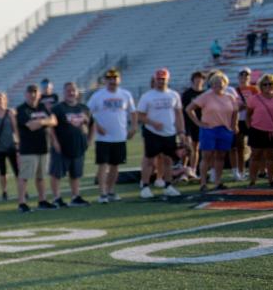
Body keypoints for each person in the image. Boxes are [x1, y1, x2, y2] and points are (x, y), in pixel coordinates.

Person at [88, 67, 137, 203]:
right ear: (105, 80)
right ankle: (102, 193)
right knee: (103, 165)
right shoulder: (98, 95)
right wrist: (97, 126)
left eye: (114, 78)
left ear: (119, 79)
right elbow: (88, 113)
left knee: (115, 166)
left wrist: (133, 127)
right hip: (103, 138)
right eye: (109, 78)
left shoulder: (125, 94)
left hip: (120, 136)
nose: (112, 81)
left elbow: (133, 112)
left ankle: (111, 191)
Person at [186, 71, 239, 191]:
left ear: (225, 84)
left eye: (220, 83)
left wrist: (234, 124)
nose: (217, 86)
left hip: (224, 129)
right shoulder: (206, 96)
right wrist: (198, 123)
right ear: (211, 85)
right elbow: (189, 109)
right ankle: (203, 183)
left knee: (221, 156)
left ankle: (217, 182)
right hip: (209, 129)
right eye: (214, 83)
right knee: (207, 156)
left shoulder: (229, 97)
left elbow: (235, 111)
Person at [136, 68, 185, 198]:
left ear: (167, 80)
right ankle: (145, 186)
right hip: (152, 132)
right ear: (154, 80)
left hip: (169, 132)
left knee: (168, 160)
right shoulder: (147, 96)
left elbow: (179, 114)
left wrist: (181, 132)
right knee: (149, 160)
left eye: (163, 79)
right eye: (158, 79)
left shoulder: (174, 95)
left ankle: (168, 185)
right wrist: (153, 123)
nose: (161, 81)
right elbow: (140, 116)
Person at [14, 84, 57, 212]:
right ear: (26, 94)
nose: (33, 95)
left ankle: (42, 200)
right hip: (28, 148)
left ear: (39, 94)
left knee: (41, 177)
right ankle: (22, 203)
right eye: (30, 92)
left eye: (35, 92)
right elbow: (31, 126)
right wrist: (45, 121)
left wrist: (41, 122)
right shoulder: (22, 109)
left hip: (43, 146)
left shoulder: (42, 106)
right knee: (25, 176)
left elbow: (54, 121)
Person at [49, 82, 92, 207]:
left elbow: (92, 123)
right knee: (56, 173)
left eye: (73, 90)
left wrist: (89, 139)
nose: (71, 93)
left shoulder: (84, 108)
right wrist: (55, 142)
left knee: (76, 173)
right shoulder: (58, 108)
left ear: (77, 92)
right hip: (61, 146)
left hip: (78, 146)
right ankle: (57, 198)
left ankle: (75, 196)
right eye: (68, 90)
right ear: (64, 92)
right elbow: (51, 127)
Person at [244, 73, 273, 187]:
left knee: (271, 156)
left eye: (271, 83)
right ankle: (252, 180)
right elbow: (248, 114)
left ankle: (271, 179)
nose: (268, 86)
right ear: (260, 85)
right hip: (257, 130)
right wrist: (250, 128)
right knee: (255, 155)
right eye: (265, 84)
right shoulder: (254, 99)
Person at [0, 91, 19, 201]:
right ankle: (4, 191)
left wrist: (18, 142)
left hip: (11, 145)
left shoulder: (10, 112)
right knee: (2, 171)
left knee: (17, 170)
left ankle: (22, 190)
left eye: (1, 98)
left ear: (5, 100)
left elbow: (15, 128)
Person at [232, 67, 259, 181]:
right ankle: (241, 171)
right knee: (240, 147)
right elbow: (232, 106)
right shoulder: (235, 90)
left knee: (256, 147)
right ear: (238, 77)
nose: (244, 78)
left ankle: (257, 170)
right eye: (242, 76)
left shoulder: (254, 89)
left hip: (252, 120)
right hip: (239, 120)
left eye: (246, 75)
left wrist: (248, 106)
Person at [181, 71, 206, 180]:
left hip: (200, 123)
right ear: (193, 80)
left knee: (196, 147)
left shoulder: (205, 94)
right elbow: (183, 110)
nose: (198, 80)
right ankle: (183, 170)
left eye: (200, 78)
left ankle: (193, 170)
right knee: (187, 148)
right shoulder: (187, 94)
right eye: (196, 78)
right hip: (188, 123)